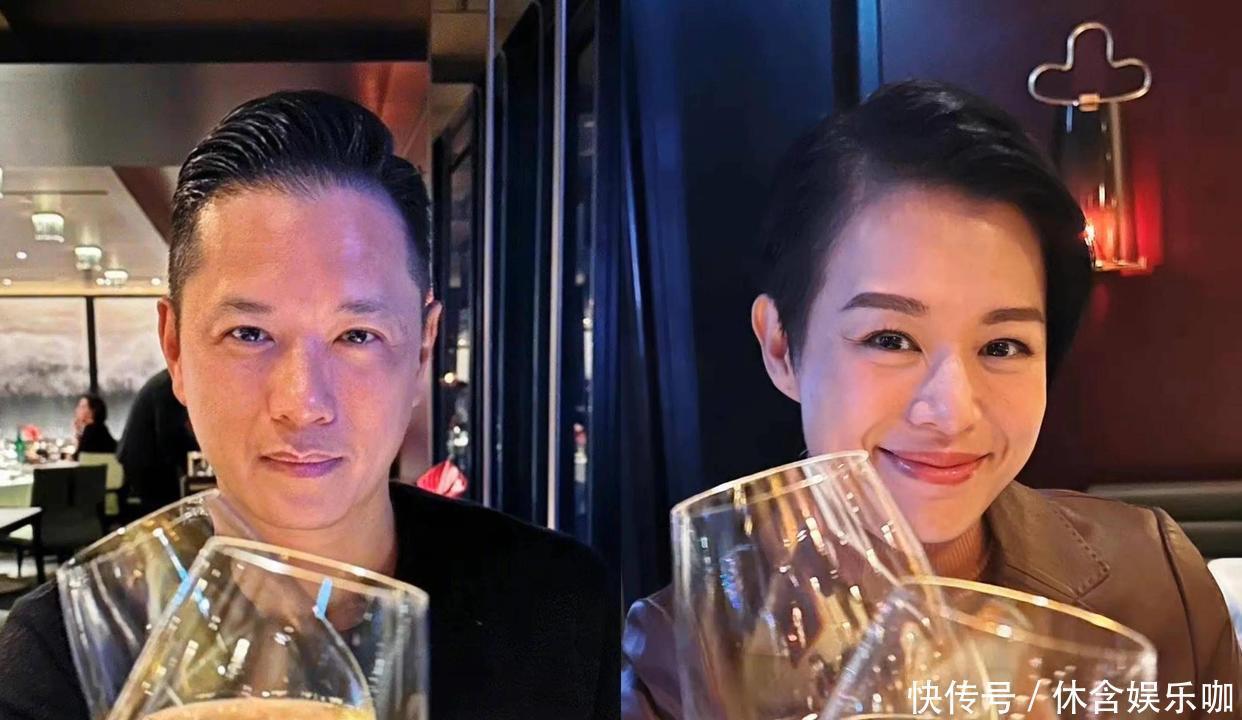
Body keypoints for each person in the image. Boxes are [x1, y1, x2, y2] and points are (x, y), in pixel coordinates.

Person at [622, 80, 1241, 719]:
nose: (952, 411)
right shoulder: (685, 653)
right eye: (890, 339)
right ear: (781, 347)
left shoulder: (1157, 582)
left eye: (1002, 346)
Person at [0, 90, 618, 720]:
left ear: (422, 351)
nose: (303, 403)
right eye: (249, 334)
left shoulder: (555, 607)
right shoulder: (65, 656)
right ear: (176, 349)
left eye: (358, 336)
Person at [116, 368, 200, 512]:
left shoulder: (166, 381)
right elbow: (169, 434)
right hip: (146, 460)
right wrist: (196, 455)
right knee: (166, 510)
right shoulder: (168, 385)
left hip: (142, 456)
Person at [71, 392, 117, 459]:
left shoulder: (92, 430)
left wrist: (76, 434)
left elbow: (79, 458)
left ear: (92, 411)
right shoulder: (100, 428)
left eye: (82, 407)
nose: (77, 410)